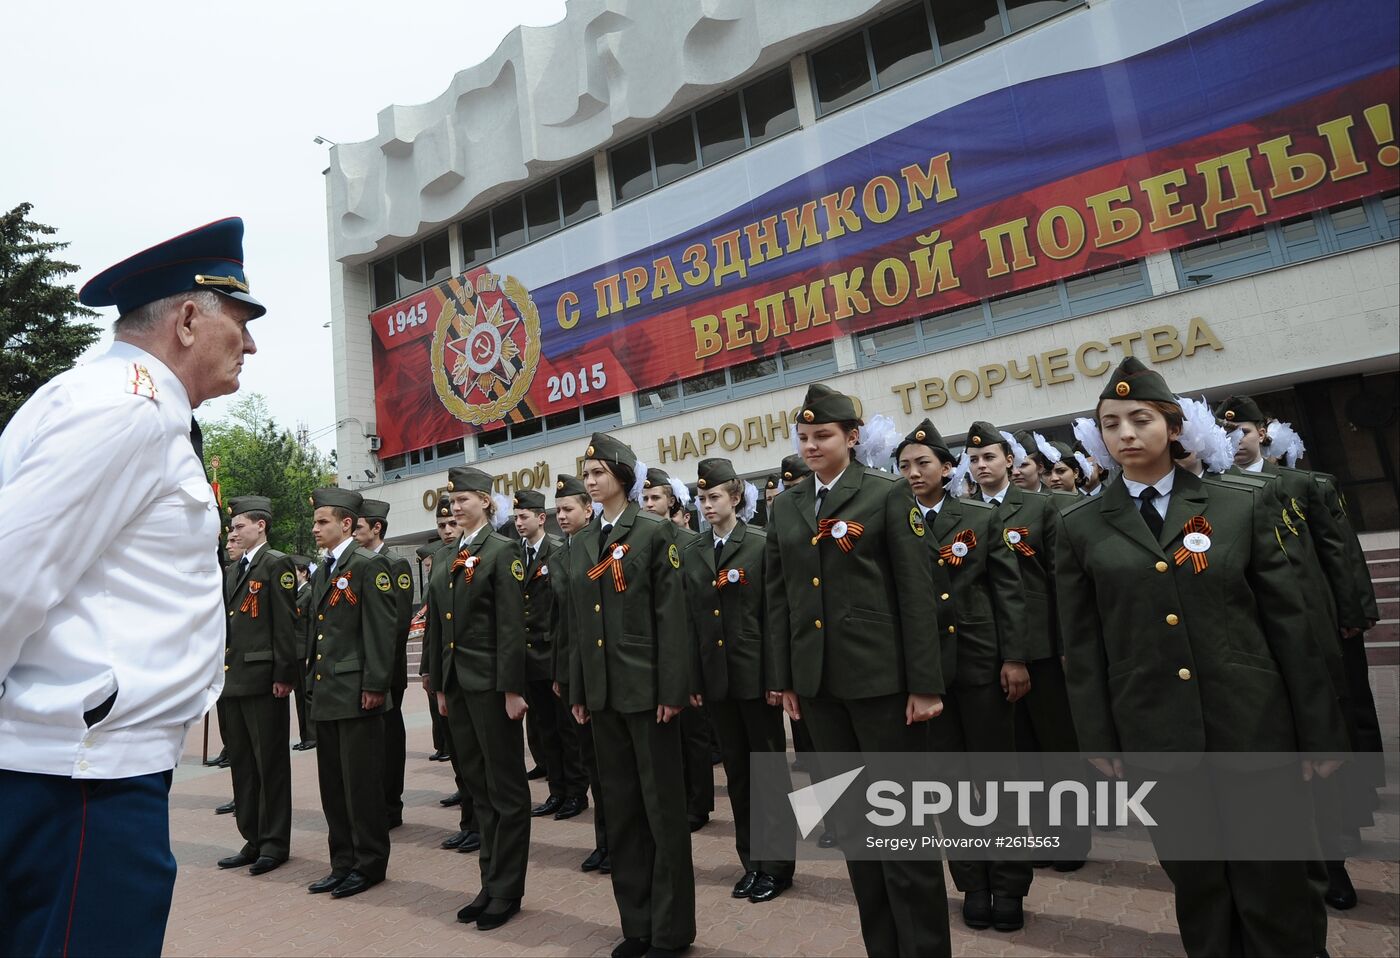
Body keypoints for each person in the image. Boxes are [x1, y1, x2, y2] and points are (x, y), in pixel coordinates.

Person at [0, 217, 264, 956]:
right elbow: (11, 572)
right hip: (81, 777)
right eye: (238, 321)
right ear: (187, 319)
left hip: (80, 760)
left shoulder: (113, 398)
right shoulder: (131, 410)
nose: (250, 344)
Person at [1057, 358, 1347, 957]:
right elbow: (1083, 645)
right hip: (1157, 732)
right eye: (1111, 424)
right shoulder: (1081, 525)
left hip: (1253, 724)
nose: (1126, 434)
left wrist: (1318, 734)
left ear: (1173, 425)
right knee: (1199, 885)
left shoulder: (1238, 504)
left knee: (1278, 885)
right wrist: (1099, 741)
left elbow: (1289, 626)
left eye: (1141, 419)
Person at [764, 383, 951, 958]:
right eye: (805, 437)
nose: (813, 446)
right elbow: (778, 596)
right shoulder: (786, 505)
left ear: (852, 437)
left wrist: (924, 684)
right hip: (820, 689)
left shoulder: (886, 496)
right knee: (856, 834)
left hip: (882, 685)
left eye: (823, 436)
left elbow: (918, 593)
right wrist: (785, 677)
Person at [895, 419, 1034, 931]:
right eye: (905, 466)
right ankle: (973, 882)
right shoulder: (895, 521)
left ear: (947, 468)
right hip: (928, 672)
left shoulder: (977, 516)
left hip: (979, 660)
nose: (912, 473)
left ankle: (1010, 884)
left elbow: (1008, 590)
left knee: (998, 778)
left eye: (922, 463)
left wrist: (1014, 657)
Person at [566, 433, 695, 958]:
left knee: (662, 813)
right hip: (603, 693)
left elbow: (672, 617)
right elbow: (578, 621)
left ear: (622, 475)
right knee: (619, 811)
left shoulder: (654, 532)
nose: (592, 481)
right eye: (587, 474)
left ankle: (670, 930)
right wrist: (578, 688)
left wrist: (672, 688)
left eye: (598, 473)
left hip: (648, 691)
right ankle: (636, 924)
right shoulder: (581, 541)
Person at [682, 458, 795, 904]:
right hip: (717, 681)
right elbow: (690, 621)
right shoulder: (693, 551)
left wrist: (776, 677)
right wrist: (693, 678)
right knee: (738, 775)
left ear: (735, 498)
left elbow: (774, 616)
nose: (707, 506)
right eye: (702, 498)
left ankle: (778, 865)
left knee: (768, 774)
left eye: (715, 498)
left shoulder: (760, 545)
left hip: (755, 677)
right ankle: (752, 861)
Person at [426, 467, 531, 931]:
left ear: (487, 502)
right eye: (452, 501)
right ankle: (489, 883)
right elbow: (441, 625)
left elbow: (511, 625)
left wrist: (512, 688)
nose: (455, 507)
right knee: (479, 787)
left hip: (491, 686)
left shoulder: (502, 551)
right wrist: (442, 688)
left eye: (464, 499)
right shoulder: (451, 552)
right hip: (460, 687)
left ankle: (507, 890)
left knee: (505, 789)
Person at [305, 486, 398, 900]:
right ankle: (342, 862)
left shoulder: (366, 565)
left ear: (345, 523)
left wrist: (375, 685)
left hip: (358, 692)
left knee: (361, 785)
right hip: (328, 693)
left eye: (322, 521)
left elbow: (380, 631)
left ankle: (370, 863)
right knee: (334, 787)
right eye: (314, 521)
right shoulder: (324, 569)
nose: (315, 528)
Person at [217, 495, 298, 877]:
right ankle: (252, 836)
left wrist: (284, 674)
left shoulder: (276, 563)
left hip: (265, 679)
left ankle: (275, 843)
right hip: (234, 680)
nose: (233, 533)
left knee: (270, 765)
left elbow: (285, 625)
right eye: (233, 528)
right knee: (244, 766)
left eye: (239, 526)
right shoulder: (234, 570)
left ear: (260, 526)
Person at [641, 466, 714, 832]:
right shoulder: (640, 541)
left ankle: (699, 803)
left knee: (694, 736)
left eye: (657, 498)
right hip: (656, 657)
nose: (651, 504)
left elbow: (698, 608)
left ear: (672, 502)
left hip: (690, 655)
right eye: (646, 498)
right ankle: (678, 798)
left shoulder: (691, 543)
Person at [515, 489, 589, 821]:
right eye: (514, 518)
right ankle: (557, 790)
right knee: (545, 730)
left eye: (523, 517)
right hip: (531, 658)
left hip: (554, 654)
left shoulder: (558, 551)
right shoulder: (517, 555)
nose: (518, 523)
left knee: (567, 730)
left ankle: (576, 791)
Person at [552, 473, 612, 875]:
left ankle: (776, 863)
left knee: (761, 766)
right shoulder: (562, 557)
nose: (560, 517)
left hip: (755, 673)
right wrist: (563, 674)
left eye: (567, 509)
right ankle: (606, 842)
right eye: (556, 511)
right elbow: (564, 624)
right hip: (583, 671)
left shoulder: (613, 544)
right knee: (596, 766)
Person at [354, 499, 416, 829]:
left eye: (359, 527)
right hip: (369, 669)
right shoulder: (359, 563)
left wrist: (383, 672)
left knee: (390, 739)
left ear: (377, 528)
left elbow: (397, 623)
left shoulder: (394, 564)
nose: (354, 532)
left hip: (388, 671)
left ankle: (392, 804)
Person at [424, 494, 456, 763]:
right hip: (446, 665)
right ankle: (464, 791)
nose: (447, 530)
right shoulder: (439, 560)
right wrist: (429, 669)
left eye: (452, 523)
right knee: (458, 743)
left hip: (480, 670)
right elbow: (432, 625)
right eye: (441, 524)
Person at [290, 555, 318, 750]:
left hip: (304, 652)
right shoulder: (294, 594)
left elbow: (311, 626)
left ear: (304, 573)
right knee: (299, 695)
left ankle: (312, 736)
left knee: (307, 695)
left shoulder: (308, 593)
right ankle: (304, 736)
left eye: (295, 572)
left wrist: (310, 654)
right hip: (294, 651)